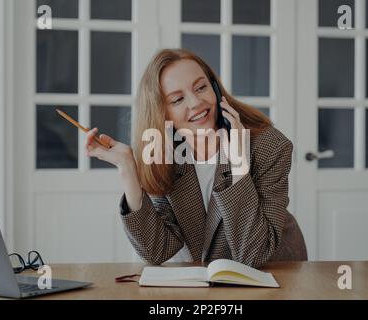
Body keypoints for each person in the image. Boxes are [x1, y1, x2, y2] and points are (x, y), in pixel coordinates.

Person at [85, 48, 307, 268]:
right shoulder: (162, 152)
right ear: (161, 112)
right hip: (208, 278)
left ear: (216, 89)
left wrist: (238, 162)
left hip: (276, 269)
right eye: (178, 99)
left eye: (201, 87)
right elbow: (157, 251)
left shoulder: (269, 146)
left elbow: (253, 255)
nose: (195, 103)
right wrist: (128, 170)